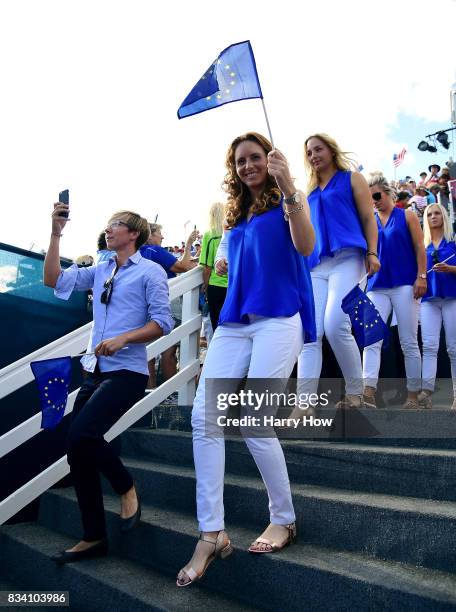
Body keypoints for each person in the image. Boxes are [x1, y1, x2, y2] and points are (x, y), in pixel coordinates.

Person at [176, 132, 316, 587]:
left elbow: (305, 245)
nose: (248, 165)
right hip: (235, 324)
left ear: (269, 159)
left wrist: (290, 184)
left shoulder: (289, 201)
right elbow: (244, 262)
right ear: (233, 168)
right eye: (241, 160)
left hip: (278, 320)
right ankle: (211, 531)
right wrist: (226, 266)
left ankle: (284, 518)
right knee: (204, 418)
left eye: (256, 157)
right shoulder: (235, 218)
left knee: (255, 422)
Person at [44, 205, 173, 564]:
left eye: (116, 225)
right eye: (108, 225)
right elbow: (53, 280)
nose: (109, 230)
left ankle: (125, 485)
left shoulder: (150, 271)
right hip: (94, 369)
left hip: (128, 372)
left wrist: (123, 339)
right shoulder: (100, 269)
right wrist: (56, 233)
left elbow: (162, 322)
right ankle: (94, 537)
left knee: (84, 435)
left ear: (134, 233)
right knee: (76, 445)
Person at [296, 133, 380, 409]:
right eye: (308, 152)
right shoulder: (307, 193)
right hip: (317, 266)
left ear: (331, 150)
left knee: (335, 324)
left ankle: (355, 394)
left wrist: (372, 252)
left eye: (318, 149)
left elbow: (369, 217)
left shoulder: (351, 178)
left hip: (349, 258)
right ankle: (304, 404)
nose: (313, 155)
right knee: (311, 332)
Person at [363, 173, 427, 408]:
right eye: (370, 198)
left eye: (377, 195)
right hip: (376, 286)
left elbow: (420, 247)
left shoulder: (407, 215)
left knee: (408, 341)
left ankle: (413, 395)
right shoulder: (369, 220)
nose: (374, 201)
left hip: (404, 284)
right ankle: (367, 392)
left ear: (388, 192)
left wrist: (422, 276)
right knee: (372, 340)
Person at [140, 223, 198, 390]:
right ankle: (172, 393)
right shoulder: (154, 251)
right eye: (160, 233)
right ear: (149, 236)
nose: (162, 237)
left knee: (148, 352)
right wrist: (188, 244)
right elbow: (183, 266)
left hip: (144, 305)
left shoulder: (137, 254)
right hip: (166, 302)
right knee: (169, 350)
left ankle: (149, 396)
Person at [419, 203, 456, 410]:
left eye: (437, 213)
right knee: (430, 346)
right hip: (429, 300)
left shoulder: (453, 240)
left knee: (454, 348)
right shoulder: (421, 244)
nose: (433, 217)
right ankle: (427, 393)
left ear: (444, 215)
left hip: (452, 297)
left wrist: (450, 268)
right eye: (429, 214)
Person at [199, 202, 228, 334]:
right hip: (233, 285)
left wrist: (205, 286)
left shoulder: (209, 235)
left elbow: (207, 266)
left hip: (215, 284)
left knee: (217, 324)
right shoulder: (231, 231)